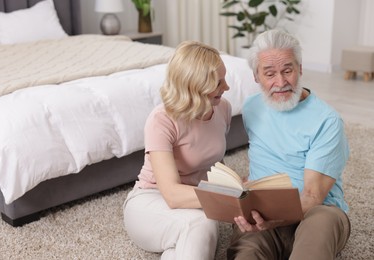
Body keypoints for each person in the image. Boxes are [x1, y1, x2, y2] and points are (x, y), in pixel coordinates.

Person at [227, 29, 351, 260]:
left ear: (300, 69)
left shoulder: (327, 121)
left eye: (287, 70)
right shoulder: (251, 108)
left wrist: (277, 216)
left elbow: (313, 195)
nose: (281, 82)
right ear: (256, 77)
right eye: (270, 74)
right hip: (264, 212)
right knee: (246, 252)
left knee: (317, 233)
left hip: (317, 212)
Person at [123, 41, 231, 259]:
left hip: (195, 203)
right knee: (199, 224)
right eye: (218, 82)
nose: (226, 87)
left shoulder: (223, 109)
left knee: (195, 232)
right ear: (195, 86)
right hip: (151, 200)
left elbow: (212, 162)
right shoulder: (162, 120)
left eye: (225, 79)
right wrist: (227, 196)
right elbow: (172, 194)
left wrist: (236, 186)